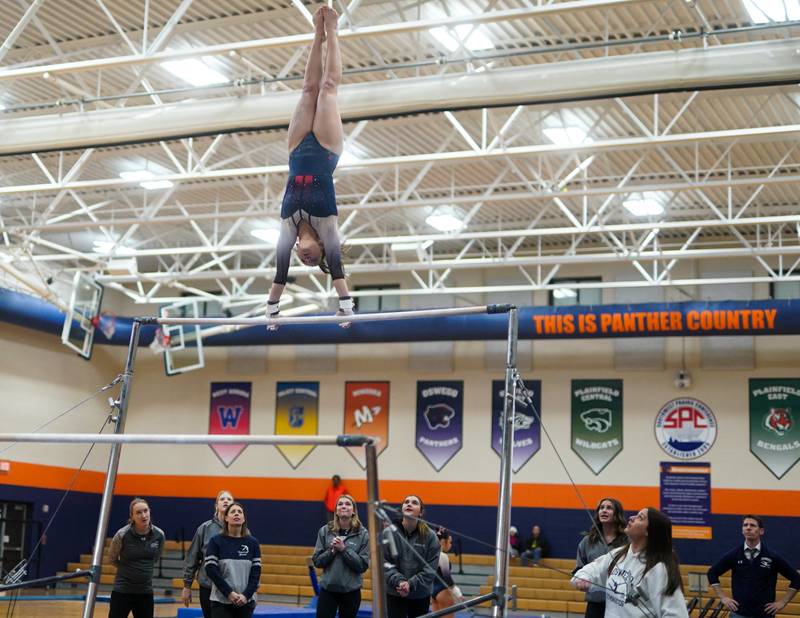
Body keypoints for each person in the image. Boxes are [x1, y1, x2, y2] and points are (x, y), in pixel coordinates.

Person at [267, 6, 353, 326]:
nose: (306, 259)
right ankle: (332, 30)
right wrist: (345, 306)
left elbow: (279, 273)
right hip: (327, 151)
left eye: (302, 261)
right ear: (320, 247)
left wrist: (272, 311)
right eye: (313, 259)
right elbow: (337, 265)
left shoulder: (287, 232)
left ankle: (316, 36)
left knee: (308, 89)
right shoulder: (327, 225)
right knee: (328, 87)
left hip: (296, 149)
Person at [571, 507, 688, 618]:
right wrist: (583, 577)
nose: (632, 517)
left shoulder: (659, 568)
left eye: (640, 518)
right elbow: (593, 569)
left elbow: (676, 614)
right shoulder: (618, 554)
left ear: (649, 531)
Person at [707, 515, 800, 618]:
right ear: (742, 530)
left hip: (764, 615)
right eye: (745, 525)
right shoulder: (734, 555)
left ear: (761, 531)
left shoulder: (772, 557)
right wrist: (723, 597)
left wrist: (782, 602)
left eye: (752, 525)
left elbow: (797, 578)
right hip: (738, 614)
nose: (748, 528)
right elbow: (712, 573)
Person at [312, 494, 370, 618]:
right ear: (336, 511)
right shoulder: (325, 531)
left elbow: (362, 566)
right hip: (328, 590)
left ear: (354, 511)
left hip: (351, 591)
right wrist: (332, 551)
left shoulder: (363, 534)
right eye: (340, 504)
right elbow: (317, 561)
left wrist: (344, 549)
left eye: (348, 504)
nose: (344, 506)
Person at [107, 497, 166, 618]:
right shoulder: (122, 534)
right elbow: (112, 558)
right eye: (138, 512)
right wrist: (128, 569)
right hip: (122, 591)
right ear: (132, 516)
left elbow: (156, 558)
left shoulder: (159, 535)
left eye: (145, 511)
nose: (143, 515)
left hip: (145, 592)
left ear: (149, 511)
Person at [384, 495, 441, 618]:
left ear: (421, 512)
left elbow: (430, 569)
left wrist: (410, 584)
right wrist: (400, 581)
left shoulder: (430, 537)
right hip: (395, 593)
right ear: (402, 509)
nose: (409, 504)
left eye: (414, 502)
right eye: (406, 502)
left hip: (420, 595)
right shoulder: (388, 533)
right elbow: (384, 563)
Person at [182, 490, 235, 617]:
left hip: (232, 589)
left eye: (229, 499)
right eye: (222, 499)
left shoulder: (242, 530)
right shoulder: (204, 528)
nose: (226, 501)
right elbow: (192, 558)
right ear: (216, 505)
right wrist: (187, 586)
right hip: (208, 588)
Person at [204, 502, 262, 618]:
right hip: (221, 603)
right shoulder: (215, 541)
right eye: (233, 512)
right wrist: (229, 593)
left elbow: (255, 574)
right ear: (226, 518)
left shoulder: (253, 543)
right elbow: (211, 570)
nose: (236, 514)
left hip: (245, 603)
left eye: (239, 512)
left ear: (244, 518)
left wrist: (246, 596)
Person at [575, 498, 628, 618]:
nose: (604, 510)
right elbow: (579, 570)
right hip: (595, 605)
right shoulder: (587, 542)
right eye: (601, 508)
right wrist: (582, 581)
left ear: (617, 514)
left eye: (609, 508)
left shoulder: (628, 542)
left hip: (621, 606)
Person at [430, 529, 463, 618]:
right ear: (443, 542)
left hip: (432, 592)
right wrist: (458, 594)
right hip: (443, 591)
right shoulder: (443, 556)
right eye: (450, 542)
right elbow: (447, 579)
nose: (451, 545)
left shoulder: (429, 554)